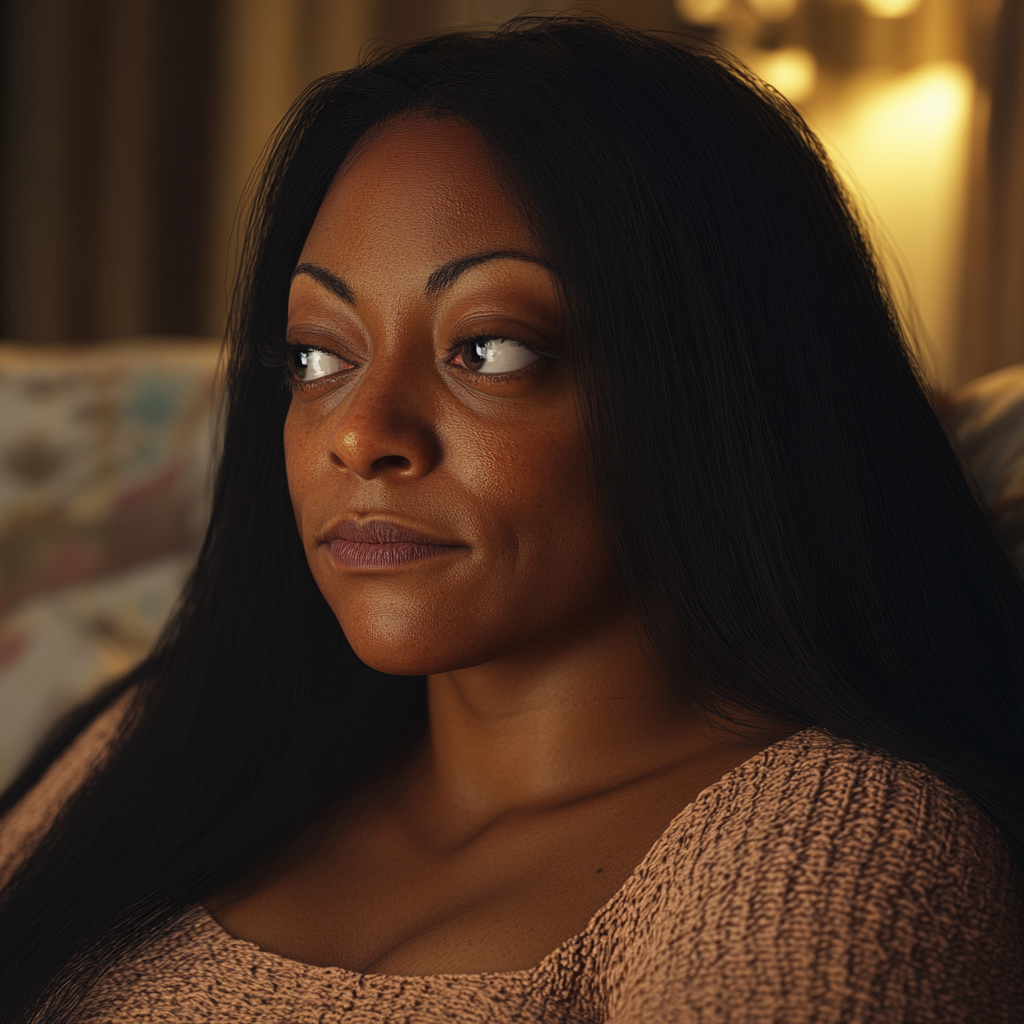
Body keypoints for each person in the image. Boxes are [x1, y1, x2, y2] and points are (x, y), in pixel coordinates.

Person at [1, 15, 1021, 1023]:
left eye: (489, 349)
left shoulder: (828, 847)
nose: (359, 435)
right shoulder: (188, 739)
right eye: (317, 355)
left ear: (722, 395)